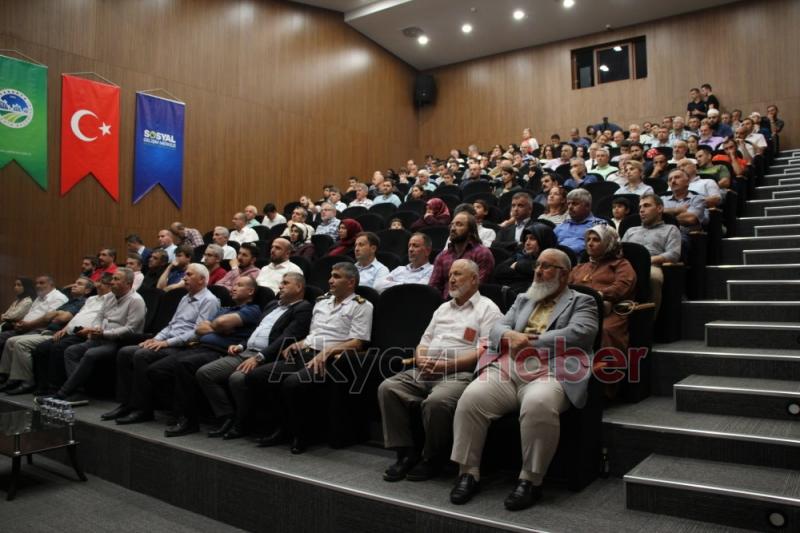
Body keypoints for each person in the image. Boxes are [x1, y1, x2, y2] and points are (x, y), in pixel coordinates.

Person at [449, 248, 598, 510]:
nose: (538, 271)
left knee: (538, 404)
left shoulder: (582, 301)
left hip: (552, 369)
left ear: (563, 274)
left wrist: (529, 341)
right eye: (537, 265)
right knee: (471, 398)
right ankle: (468, 472)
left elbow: (580, 334)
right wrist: (509, 337)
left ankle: (531, 480)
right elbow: (498, 327)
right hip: (509, 366)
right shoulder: (523, 298)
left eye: (547, 267)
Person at [379, 259, 502, 482]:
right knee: (388, 387)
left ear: (475, 279)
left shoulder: (488, 309)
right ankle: (405, 453)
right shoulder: (443, 308)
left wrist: (446, 366)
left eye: (458, 274)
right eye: (450, 275)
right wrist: (421, 359)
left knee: (437, 402)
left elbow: (485, 351)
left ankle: (432, 458)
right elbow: (423, 342)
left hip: (460, 374)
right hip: (426, 369)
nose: (451, 279)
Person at [247, 262, 373, 453]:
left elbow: (358, 342)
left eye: (337, 276)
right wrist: (298, 343)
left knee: (291, 383)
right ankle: (282, 426)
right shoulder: (321, 302)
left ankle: (302, 434)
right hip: (305, 353)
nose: (330, 280)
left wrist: (328, 352)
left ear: (351, 282)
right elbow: (313, 334)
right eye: (331, 275)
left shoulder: (362, 306)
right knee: (258, 376)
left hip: (331, 361)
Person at [195, 273, 313, 439]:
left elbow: (285, 338)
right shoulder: (272, 305)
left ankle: (242, 423)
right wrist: (241, 345)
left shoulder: (302, 308)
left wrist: (259, 357)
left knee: (237, 379)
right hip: (246, 351)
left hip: (267, 356)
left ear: (299, 287)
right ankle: (226, 416)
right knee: (205, 373)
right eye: (281, 282)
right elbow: (256, 331)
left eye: (285, 283)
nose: (280, 286)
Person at [144, 277, 262, 437]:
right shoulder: (225, 309)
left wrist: (215, 326)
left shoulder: (252, 310)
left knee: (183, 364)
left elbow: (217, 324)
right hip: (201, 347)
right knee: (156, 370)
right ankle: (178, 411)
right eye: (233, 284)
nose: (233, 288)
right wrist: (220, 328)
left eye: (239, 285)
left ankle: (189, 421)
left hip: (220, 351)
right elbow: (199, 329)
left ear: (251, 291)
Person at [112, 264, 220, 425]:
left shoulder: (209, 301)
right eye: (185, 274)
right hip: (169, 341)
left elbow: (197, 332)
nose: (184, 278)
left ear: (202, 280)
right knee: (125, 352)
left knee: (141, 355)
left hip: (185, 346)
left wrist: (166, 342)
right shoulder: (185, 297)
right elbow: (171, 325)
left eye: (189, 275)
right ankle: (127, 403)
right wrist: (156, 339)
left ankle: (143, 409)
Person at [40, 269, 146, 403]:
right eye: (112, 278)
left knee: (90, 354)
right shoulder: (109, 297)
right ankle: (78, 392)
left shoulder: (136, 301)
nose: (112, 282)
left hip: (120, 341)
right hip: (100, 337)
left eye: (116, 279)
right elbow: (98, 317)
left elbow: (131, 329)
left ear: (128, 283)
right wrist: (96, 329)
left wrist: (104, 333)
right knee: (71, 351)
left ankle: (63, 393)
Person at [0, 276, 94, 394]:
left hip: (52, 332)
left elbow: (61, 318)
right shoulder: (69, 301)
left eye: (79, 284)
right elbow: (49, 316)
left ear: (87, 291)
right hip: (45, 330)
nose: (74, 285)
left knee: (19, 343)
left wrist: (55, 314)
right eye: (75, 282)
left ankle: (27, 381)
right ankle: (11, 378)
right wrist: (55, 314)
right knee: (11, 341)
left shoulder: (82, 302)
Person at [569, 226, 636, 351]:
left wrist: (599, 295)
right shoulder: (580, 267)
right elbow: (565, 287)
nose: (590, 243)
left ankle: (606, 368)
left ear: (608, 243)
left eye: (596, 240)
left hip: (609, 311)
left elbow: (623, 286)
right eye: (588, 239)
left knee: (604, 329)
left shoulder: (620, 264)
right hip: (578, 308)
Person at [622, 193, 682, 315]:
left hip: (652, 265)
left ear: (659, 208)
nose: (642, 210)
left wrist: (646, 261)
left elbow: (673, 254)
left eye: (647, 205)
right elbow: (620, 251)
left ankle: (649, 321)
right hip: (626, 265)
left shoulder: (671, 229)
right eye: (640, 207)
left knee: (654, 278)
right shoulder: (631, 230)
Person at [0, 275, 68, 371]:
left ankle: (19, 379)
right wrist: (20, 323)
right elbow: (29, 314)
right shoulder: (39, 297)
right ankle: (5, 373)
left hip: (40, 329)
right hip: (26, 327)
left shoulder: (58, 298)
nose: (38, 285)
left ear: (51, 284)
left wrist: (28, 325)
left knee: (12, 341)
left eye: (42, 283)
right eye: (36, 283)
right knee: (5, 337)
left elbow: (48, 319)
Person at [428, 213, 494, 298]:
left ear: (470, 231)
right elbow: (433, 287)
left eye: (459, 225)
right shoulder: (442, 256)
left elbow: (477, 287)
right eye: (452, 225)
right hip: (444, 306)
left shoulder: (482, 253)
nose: (453, 228)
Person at [494, 224, 557, 292]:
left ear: (543, 240)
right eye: (526, 239)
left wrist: (517, 265)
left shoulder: (555, 260)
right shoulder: (520, 254)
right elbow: (498, 271)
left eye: (532, 239)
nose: (527, 243)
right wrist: (525, 275)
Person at [662, 169, 708, 246]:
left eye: (677, 177)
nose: (673, 181)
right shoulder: (662, 199)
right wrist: (677, 210)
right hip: (660, 234)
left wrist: (664, 215)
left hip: (683, 235)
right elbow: (652, 214)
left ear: (687, 181)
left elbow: (690, 219)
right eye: (670, 179)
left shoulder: (697, 199)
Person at [554, 189, 606, 254]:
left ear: (587, 206)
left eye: (574, 204)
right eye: (568, 204)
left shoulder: (599, 224)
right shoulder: (560, 226)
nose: (570, 207)